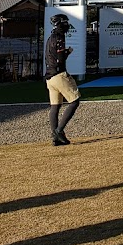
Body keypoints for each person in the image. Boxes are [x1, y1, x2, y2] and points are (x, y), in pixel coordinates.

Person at [44, 12, 80, 146]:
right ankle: (59, 131)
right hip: (59, 74)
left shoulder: (50, 37)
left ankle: (55, 137)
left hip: (49, 77)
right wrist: (67, 52)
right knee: (74, 101)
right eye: (65, 22)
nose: (67, 25)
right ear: (60, 23)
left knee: (55, 106)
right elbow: (60, 59)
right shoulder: (59, 37)